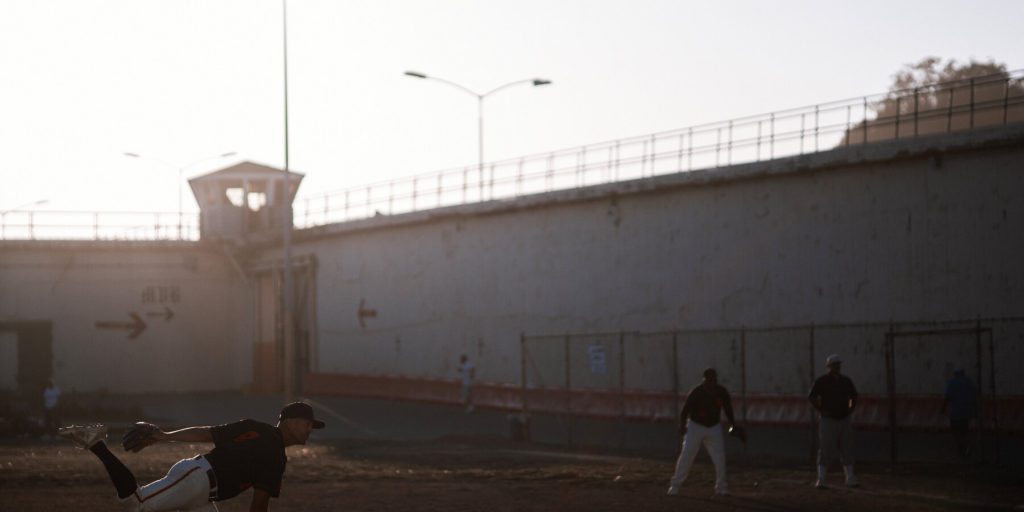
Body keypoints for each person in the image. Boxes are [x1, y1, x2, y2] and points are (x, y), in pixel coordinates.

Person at [58, 401, 325, 511]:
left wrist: (163, 436)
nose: (310, 429)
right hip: (196, 479)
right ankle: (97, 445)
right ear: (291, 422)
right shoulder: (269, 446)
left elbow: (206, 433)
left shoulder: (265, 440)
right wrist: (163, 436)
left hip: (204, 495)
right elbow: (206, 434)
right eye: (308, 424)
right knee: (136, 502)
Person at [667, 368, 739, 496]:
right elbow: (685, 410)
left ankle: (721, 487)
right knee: (687, 455)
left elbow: (728, 408)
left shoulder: (721, 392)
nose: (712, 383)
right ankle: (675, 485)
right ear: (704, 380)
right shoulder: (697, 392)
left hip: (714, 427)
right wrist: (682, 425)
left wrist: (733, 424)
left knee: (720, 458)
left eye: (714, 380)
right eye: (709, 380)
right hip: (695, 426)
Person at [808, 354, 859, 488]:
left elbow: (853, 396)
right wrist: (821, 410)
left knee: (846, 447)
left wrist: (850, 409)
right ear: (829, 366)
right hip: (828, 419)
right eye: (835, 364)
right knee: (826, 448)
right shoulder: (822, 381)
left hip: (844, 418)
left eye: (838, 364)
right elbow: (812, 397)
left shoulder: (845, 381)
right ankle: (821, 478)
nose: (837, 366)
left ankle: (850, 477)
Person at [942, 368, 978, 459]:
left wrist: (943, 409)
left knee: (956, 431)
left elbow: (947, 397)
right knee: (964, 431)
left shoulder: (952, 382)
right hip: (967, 411)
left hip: (956, 412)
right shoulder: (970, 382)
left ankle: (961, 447)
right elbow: (975, 397)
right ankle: (965, 447)